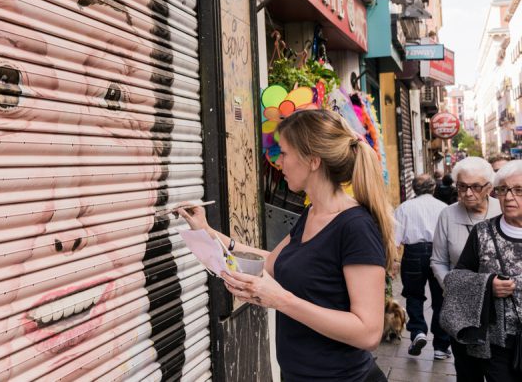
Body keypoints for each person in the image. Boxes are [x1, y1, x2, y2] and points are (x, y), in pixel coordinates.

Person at [179, 110, 394, 381]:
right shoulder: (312, 214)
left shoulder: (356, 227)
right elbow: (272, 261)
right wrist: (207, 232)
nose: (279, 162)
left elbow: (369, 333)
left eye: (285, 153)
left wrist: (280, 299)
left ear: (313, 160)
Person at [443, 160, 522, 381]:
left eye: (518, 190)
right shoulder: (483, 232)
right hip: (497, 344)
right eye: (503, 189)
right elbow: (456, 278)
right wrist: (488, 285)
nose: (508, 197)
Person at [431, 156, 502, 381]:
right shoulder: (448, 215)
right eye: (462, 186)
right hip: (462, 309)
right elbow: (438, 261)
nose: (468, 193)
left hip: (500, 309)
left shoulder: (504, 211)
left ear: (489, 187)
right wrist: (451, 288)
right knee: (467, 371)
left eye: (475, 187)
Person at [393, 174, 450, 358]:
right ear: (433, 188)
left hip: (413, 254)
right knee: (440, 298)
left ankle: (418, 332)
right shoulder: (444, 208)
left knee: (414, 295)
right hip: (439, 254)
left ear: (414, 189)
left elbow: (395, 240)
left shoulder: (404, 208)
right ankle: (441, 347)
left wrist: (394, 261)